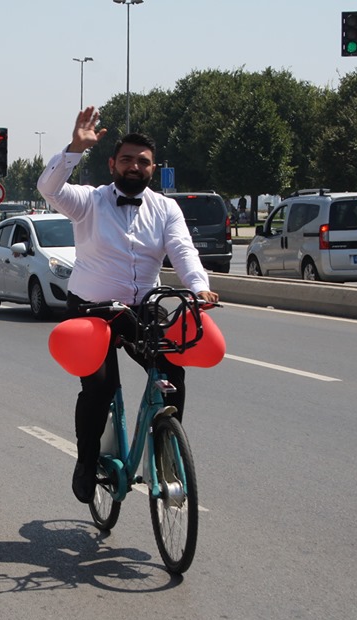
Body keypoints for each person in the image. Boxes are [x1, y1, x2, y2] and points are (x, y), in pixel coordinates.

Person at [37, 107, 219, 504]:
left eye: (143, 161)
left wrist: (199, 287)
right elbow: (49, 189)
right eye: (126, 160)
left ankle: (166, 456)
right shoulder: (88, 201)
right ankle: (86, 461)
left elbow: (183, 251)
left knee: (172, 372)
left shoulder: (166, 208)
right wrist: (72, 149)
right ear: (111, 164)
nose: (134, 166)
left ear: (154, 168)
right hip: (92, 309)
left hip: (142, 307)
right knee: (99, 388)